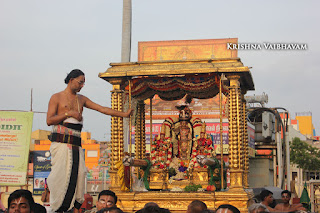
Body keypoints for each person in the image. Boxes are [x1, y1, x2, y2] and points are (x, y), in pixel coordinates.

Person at [46, 69, 133, 213]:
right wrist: (69, 113)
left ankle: (73, 209)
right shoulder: (56, 97)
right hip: (61, 145)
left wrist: (123, 114)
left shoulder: (81, 99)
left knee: (80, 176)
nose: (82, 85)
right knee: (59, 178)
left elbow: (102, 109)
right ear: (71, 79)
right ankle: (55, 209)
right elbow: (49, 120)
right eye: (80, 82)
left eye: (83, 83)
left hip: (76, 146)